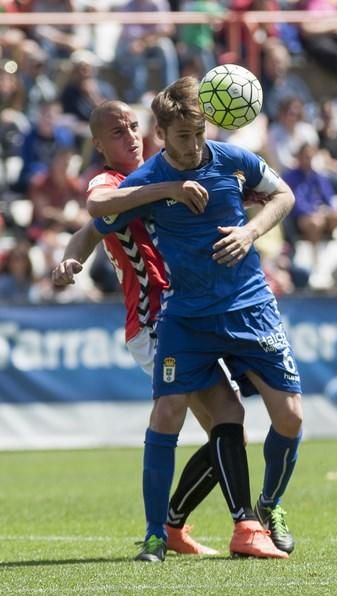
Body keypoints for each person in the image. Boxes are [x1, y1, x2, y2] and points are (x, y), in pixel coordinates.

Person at [91, 78, 303, 562]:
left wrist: (250, 233)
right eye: (181, 137)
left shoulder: (233, 160)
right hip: (185, 317)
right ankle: (156, 534)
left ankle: (269, 508)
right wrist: (166, 188)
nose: (192, 146)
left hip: (250, 306)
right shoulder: (145, 179)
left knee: (289, 418)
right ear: (161, 133)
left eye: (197, 134)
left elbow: (284, 196)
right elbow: (97, 211)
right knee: (171, 413)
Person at [52, 99, 264, 559]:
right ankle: (175, 527)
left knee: (229, 428)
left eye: (132, 125)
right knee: (211, 420)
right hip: (153, 320)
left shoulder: (157, 171)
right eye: (115, 131)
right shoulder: (115, 181)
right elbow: (94, 216)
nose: (128, 134)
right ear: (99, 145)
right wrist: (72, 258)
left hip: (188, 313)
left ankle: (173, 526)